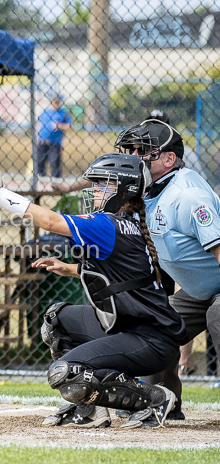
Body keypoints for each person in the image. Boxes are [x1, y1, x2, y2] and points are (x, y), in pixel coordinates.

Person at [0, 151, 185, 428]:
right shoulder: (124, 225)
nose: (96, 190)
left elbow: (50, 221)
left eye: (104, 185)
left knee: (66, 372)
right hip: (136, 331)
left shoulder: (109, 225)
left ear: (125, 189)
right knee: (58, 320)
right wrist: (71, 269)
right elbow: (124, 277)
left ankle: (153, 398)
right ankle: (91, 409)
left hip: (150, 342)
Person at [114, 119, 220, 398]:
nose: (134, 157)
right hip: (202, 289)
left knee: (218, 315)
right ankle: (161, 400)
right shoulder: (147, 192)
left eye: (143, 150)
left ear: (169, 159)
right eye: (132, 150)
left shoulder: (188, 196)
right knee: (157, 323)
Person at [36, 93, 72, 178]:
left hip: (55, 143)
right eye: (54, 101)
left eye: (57, 102)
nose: (56, 103)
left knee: (55, 166)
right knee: (39, 165)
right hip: (42, 142)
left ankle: (55, 185)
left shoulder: (63, 113)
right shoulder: (45, 112)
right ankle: (40, 184)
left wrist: (59, 126)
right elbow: (39, 124)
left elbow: (70, 127)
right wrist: (36, 137)